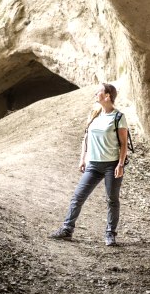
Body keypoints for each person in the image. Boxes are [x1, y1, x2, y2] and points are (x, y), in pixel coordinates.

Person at [50, 83, 128, 246]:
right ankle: (67, 229)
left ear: (107, 96)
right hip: (93, 164)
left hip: (111, 165)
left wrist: (120, 164)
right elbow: (85, 138)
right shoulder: (94, 114)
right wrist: (82, 158)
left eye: (98, 92)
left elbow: (123, 143)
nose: (95, 94)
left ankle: (110, 234)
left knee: (112, 199)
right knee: (78, 196)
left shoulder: (118, 117)